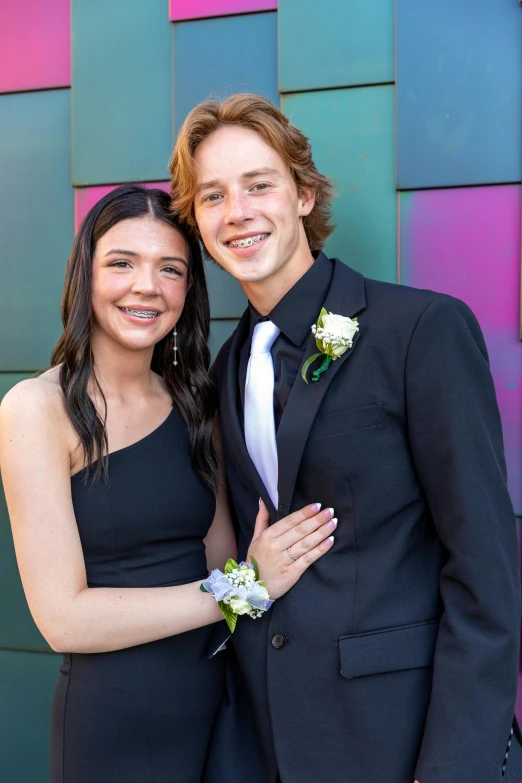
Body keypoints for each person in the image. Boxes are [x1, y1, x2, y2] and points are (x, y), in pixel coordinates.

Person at [169, 94, 522, 783]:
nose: (237, 210)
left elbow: (485, 568)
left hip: (400, 741)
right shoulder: (224, 368)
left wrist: (454, 767)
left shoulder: (417, 330)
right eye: (212, 196)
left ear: (303, 195)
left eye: (258, 184)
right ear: (199, 224)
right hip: (263, 744)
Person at [0, 185, 336, 783]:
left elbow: (219, 556)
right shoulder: (36, 409)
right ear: (86, 275)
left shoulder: (197, 404)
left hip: (221, 710)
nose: (146, 286)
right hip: (116, 728)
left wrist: (247, 581)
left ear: (189, 289)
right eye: (122, 263)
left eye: (171, 269)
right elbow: (62, 621)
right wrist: (244, 587)